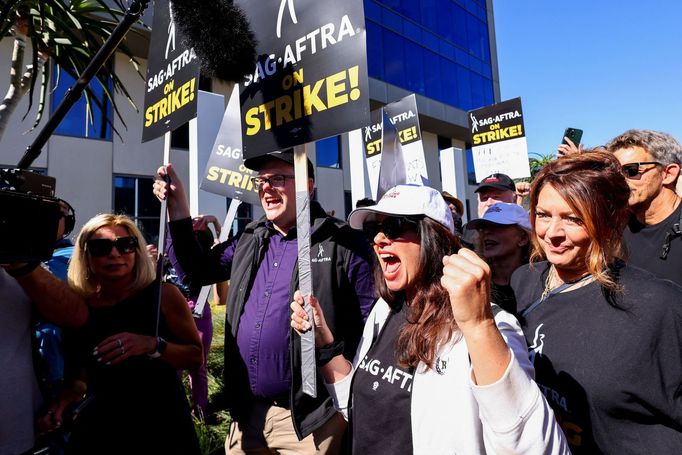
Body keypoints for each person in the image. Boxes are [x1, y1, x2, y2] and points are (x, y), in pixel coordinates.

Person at [290, 184, 569, 454]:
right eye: (373, 229)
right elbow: (359, 406)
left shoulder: (486, 324)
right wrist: (324, 341)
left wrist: (480, 326)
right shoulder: (384, 310)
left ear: (434, 237)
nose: (378, 239)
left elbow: (531, 446)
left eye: (395, 227)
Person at [153, 149, 375, 454]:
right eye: (262, 180)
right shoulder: (250, 238)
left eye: (278, 179)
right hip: (247, 419)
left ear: (308, 186)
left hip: (313, 422)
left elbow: (372, 328)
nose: (266, 187)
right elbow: (196, 271)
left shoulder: (343, 242)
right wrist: (177, 208)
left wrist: (347, 405)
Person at [512, 151, 682, 453]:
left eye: (573, 218)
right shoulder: (522, 281)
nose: (552, 233)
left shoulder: (660, 305)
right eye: (543, 215)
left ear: (609, 221)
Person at [39, 213, 202, 454]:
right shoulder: (79, 308)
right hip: (102, 429)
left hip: (162, 424)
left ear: (137, 251)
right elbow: (78, 379)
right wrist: (64, 401)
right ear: (85, 255)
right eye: (101, 247)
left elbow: (194, 356)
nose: (114, 254)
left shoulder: (163, 295)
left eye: (125, 245)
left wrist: (153, 345)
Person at [166, 214, 228, 419]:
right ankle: (173, 409)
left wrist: (215, 222)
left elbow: (222, 243)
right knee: (173, 364)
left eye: (199, 238)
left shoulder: (208, 262)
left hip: (198, 311)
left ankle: (201, 410)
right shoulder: (168, 258)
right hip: (174, 312)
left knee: (198, 364)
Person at [606, 129, 682, 285]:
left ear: (668, 174)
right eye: (614, 174)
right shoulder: (613, 227)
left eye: (631, 170)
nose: (619, 181)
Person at [468, 202, 531, 315]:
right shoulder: (475, 281)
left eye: (498, 226)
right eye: (483, 228)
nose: (487, 232)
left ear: (522, 238)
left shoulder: (541, 281)